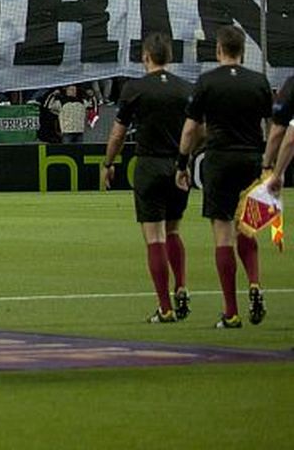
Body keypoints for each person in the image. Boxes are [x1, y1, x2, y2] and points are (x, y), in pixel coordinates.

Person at [176, 24, 275, 328]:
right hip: (250, 159)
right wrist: (268, 162)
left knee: (223, 234)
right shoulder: (259, 82)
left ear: (219, 49)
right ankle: (254, 282)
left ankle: (231, 312)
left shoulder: (207, 82)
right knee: (247, 229)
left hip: (219, 160)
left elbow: (191, 129)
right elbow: (273, 126)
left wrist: (182, 163)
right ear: (242, 51)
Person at [100, 33, 194, 322]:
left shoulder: (134, 89)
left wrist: (108, 163)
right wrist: (186, 158)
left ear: (145, 57)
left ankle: (165, 308)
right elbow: (198, 130)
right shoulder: (186, 89)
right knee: (173, 231)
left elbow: (118, 133)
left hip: (149, 166)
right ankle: (181, 285)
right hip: (177, 167)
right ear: (170, 57)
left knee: (154, 237)